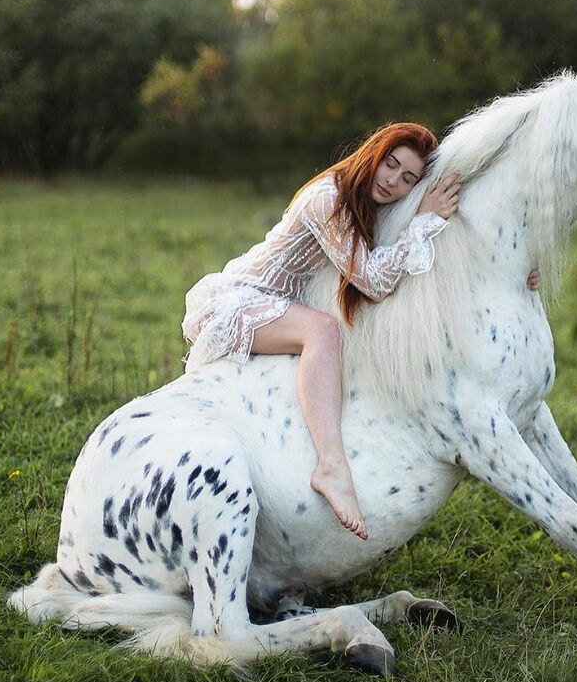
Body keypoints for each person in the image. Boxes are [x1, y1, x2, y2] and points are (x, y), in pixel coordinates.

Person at [181, 123, 459, 541]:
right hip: (241, 299)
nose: (393, 182)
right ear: (375, 153)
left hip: (282, 305)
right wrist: (421, 221)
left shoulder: (371, 202)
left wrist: (527, 272)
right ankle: (331, 466)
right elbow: (374, 281)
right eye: (391, 164)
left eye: (408, 179)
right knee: (323, 333)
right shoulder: (329, 199)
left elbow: (444, 222)